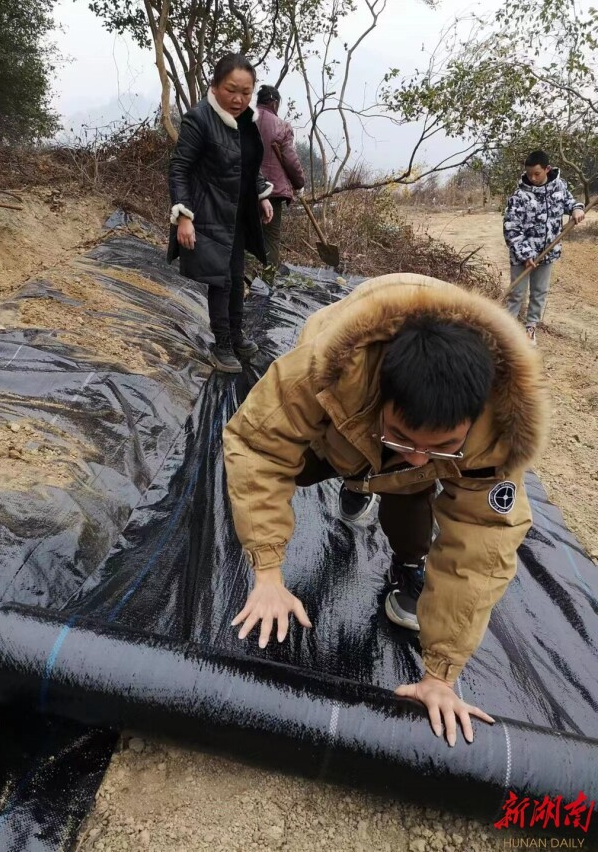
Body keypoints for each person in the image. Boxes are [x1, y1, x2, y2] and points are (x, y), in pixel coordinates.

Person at [223, 273, 548, 744]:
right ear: (382, 398)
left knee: (410, 490)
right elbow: (257, 446)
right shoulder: (326, 370)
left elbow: (482, 545)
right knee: (284, 471)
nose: (419, 455)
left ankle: (405, 558)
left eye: (442, 445)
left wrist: (440, 675)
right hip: (338, 437)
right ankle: (358, 480)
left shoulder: (498, 432)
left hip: (398, 465)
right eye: (405, 437)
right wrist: (268, 570)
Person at [167, 53, 274, 374]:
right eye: (232, 90)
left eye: (246, 92)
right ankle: (223, 344)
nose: (239, 99)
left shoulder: (244, 120)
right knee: (221, 281)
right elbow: (179, 169)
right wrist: (183, 215)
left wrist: (261, 194)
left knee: (236, 276)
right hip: (210, 211)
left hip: (237, 214)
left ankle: (237, 336)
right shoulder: (199, 119)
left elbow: (247, 162)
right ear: (214, 86)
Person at [503, 149, 585, 347]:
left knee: (539, 292)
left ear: (547, 169)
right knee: (517, 294)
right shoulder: (520, 196)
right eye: (529, 173)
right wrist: (526, 254)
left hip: (548, 252)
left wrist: (577, 208)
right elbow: (511, 229)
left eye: (537, 173)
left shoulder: (559, 187)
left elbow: (569, 202)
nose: (532, 177)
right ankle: (505, 331)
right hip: (522, 256)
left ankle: (530, 328)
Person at [255, 84, 306, 275]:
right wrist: (299, 183)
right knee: (270, 238)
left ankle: (238, 279)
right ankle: (267, 281)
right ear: (275, 103)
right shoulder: (282, 126)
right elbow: (290, 159)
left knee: (240, 231)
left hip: (243, 186)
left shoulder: (243, 119)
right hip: (272, 190)